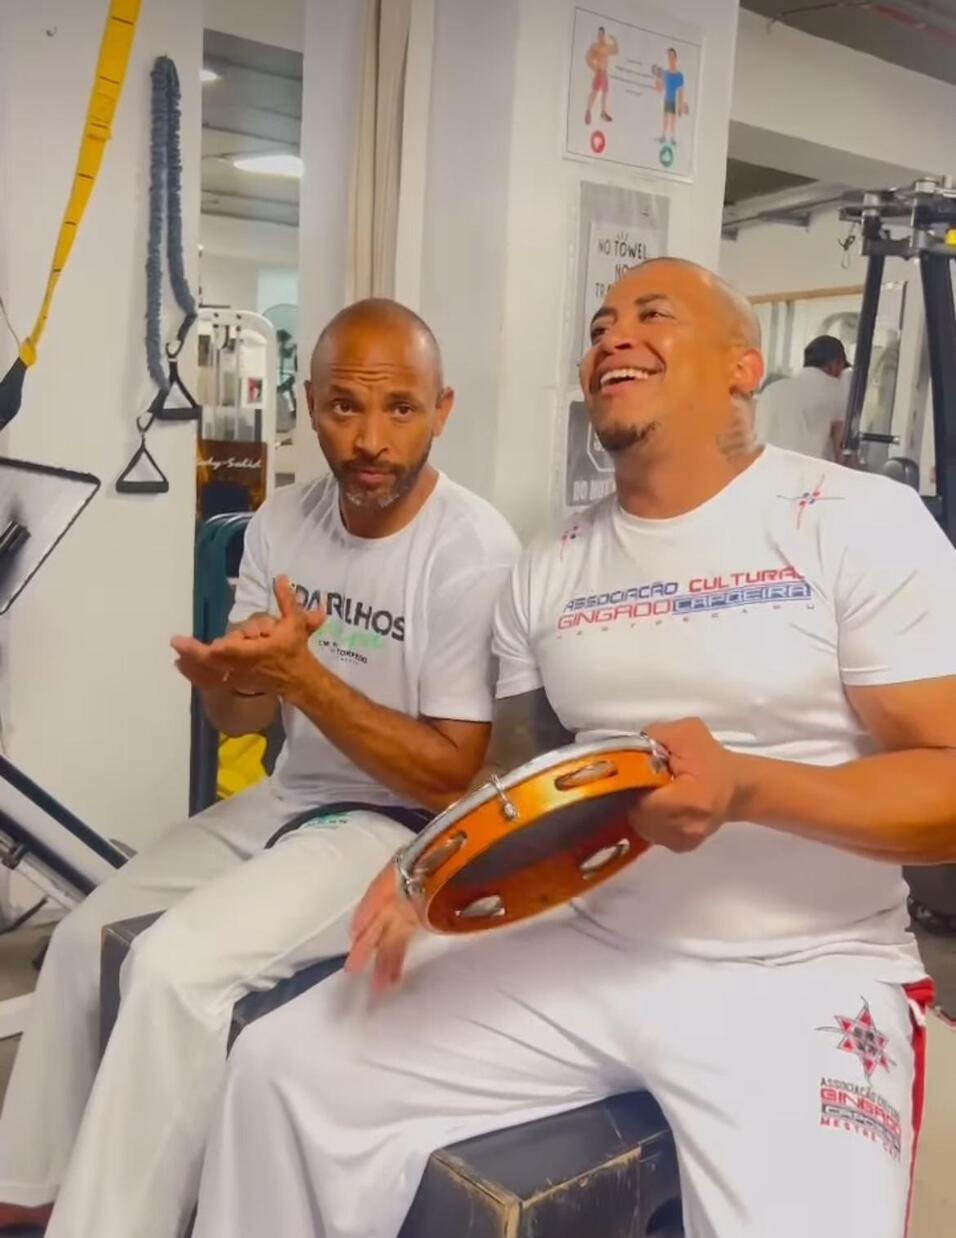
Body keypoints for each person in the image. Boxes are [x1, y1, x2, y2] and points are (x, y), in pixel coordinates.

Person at [192, 259, 956, 1238]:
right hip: (585, 946)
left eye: (651, 314)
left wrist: (748, 788)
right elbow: (513, 780)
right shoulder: (550, 568)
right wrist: (431, 869)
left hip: (799, 972)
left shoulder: (853, 522)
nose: (612, 337)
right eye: (599, 325)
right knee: (282, 1068)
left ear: (742, 365)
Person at [0, 299, 520, 1238]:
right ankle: (28, 1188)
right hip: (294, 795)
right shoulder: (283, 519)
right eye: (345, 407)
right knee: (83, 936)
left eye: (400, 409)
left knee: (173, 971)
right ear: (309, 404)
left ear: (442, 412)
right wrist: (227, 683)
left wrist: (304, 679)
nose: (370, 440)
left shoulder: (471, 551)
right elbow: (246, 715)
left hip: (397, 829)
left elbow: (449, 777)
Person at [756, 334, 850, 461]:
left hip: (764, 468)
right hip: (805, 471)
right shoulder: (835, 391)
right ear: (835, 365)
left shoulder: (771, 390)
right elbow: (842, 449)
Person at [584, 26, 618, 126]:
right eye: (599, 34)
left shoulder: (606, 46)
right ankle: (588, 111)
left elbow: (616, 50)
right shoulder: (594, 46)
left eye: (602, 34)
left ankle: (603, 112)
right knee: (594, 92)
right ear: (597, 35)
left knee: (604, 92)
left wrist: (614, 40)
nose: (600, 36)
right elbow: (588, 58)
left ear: (603, 35)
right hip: (598, 72)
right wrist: (594, 68)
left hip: (604, 72)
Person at [656, 47, 688, 145]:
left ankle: (672, 137)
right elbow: (660, 89)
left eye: (672, 56)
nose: (670, 59)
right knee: (665, 118)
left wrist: (681, 105)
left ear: (676, 58)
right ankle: (664, 136)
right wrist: (658, 78)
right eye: (669, 57)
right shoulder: (665, 73)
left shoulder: (679, 76)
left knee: (673, 119)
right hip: (667, 99)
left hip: (675, 101)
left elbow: (681, 91)